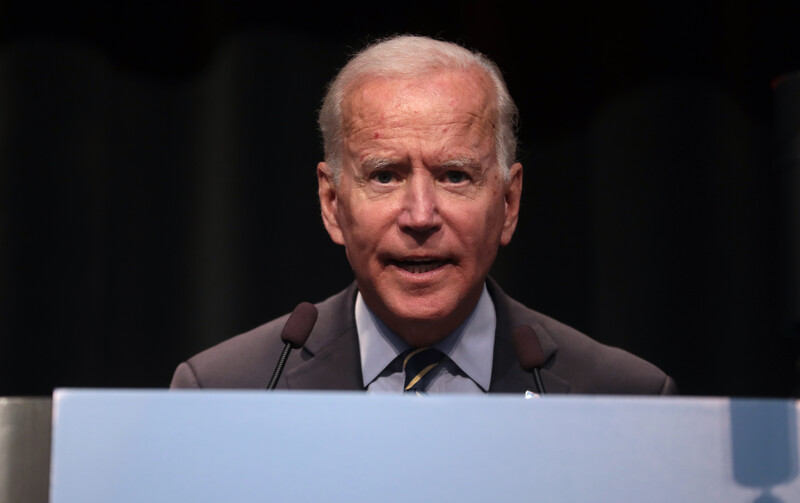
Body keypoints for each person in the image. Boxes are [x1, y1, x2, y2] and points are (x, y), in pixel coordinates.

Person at [171, 35, 677, 395]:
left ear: (508, 203)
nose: (419, 216)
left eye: (455, 176)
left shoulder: (623, 400)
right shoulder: (226, 392)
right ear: (332, 204)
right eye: (385, 175)